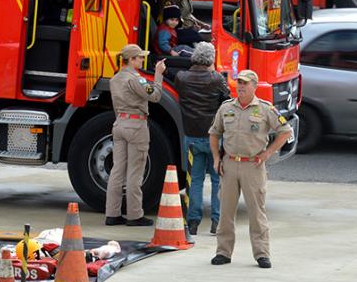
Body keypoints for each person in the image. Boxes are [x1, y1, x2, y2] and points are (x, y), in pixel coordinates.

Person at [209, 69, 293, 269]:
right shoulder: (226, 107)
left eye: (245, 84)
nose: (241, 87)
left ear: (254, 86)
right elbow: (214, 133)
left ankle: (262, 254)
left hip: (253, 166)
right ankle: (223, 252)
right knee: (226, 212)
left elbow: (285, 132)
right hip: (229, 164)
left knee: (256, 212)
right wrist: (215, 159)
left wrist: (267, 153)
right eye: (239, 83)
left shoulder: (265, 109)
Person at [105, 44, 166, 227]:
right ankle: (134, 214)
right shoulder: (135, 80)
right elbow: (155, 96)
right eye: (139, 57)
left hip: (120, 123)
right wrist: (158, 74)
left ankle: (112, 213)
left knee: (117, 170)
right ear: (131, 60)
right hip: (136, 125)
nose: (142, 59)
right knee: (135, 172)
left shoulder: (115, 79)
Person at [175, 42, 230, 235]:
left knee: (195, 180)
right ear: (211, 59)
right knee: (218, 179)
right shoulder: (216, 79)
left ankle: (193, 222)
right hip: (214, 137)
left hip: (191, 136)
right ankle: (216, 222)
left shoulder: (181, 78)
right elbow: (228, 98)